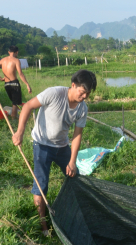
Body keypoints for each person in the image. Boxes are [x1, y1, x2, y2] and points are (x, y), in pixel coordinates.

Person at [12, 69, 97, 235]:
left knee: (74, 176)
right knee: (41, 185)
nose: (85, 96)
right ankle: (43, 224)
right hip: (41, 145)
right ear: (73, 85)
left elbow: (77, 135)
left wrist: (72, 161)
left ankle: (76, 214)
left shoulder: (82, 108)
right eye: (82, 92)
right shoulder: (54, 93)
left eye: (88, 93)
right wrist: (20, 131)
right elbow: (28, 106)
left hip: (62, 147)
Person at [0, 45, 32, 119]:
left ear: (9, 52)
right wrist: (27, 84)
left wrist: (0, 78)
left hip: (6, 84)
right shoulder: (16, 60)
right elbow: (20, 73)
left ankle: (19, 114)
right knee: (15, 103)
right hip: (14, 83)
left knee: (16, 101)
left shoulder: (3, 60)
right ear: (17, 52)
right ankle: (14, 119)